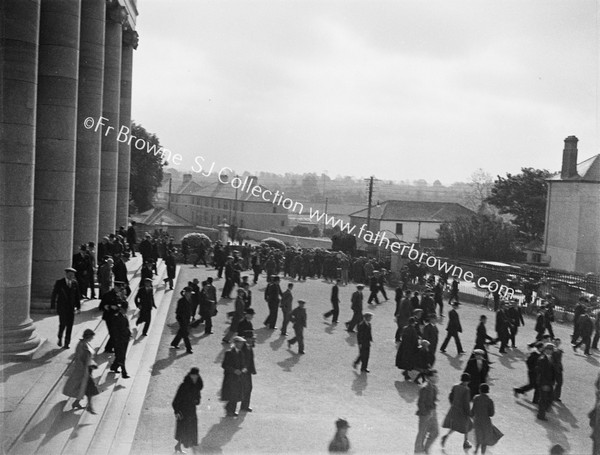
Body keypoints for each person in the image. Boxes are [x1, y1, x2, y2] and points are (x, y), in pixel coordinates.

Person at [62, 329, 99, 413]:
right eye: (92, 337)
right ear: (88, 336)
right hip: (83, 371)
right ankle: (89, 406)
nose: (92, 339)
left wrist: (92, 364)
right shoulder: (81, 345)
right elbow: (78, 359)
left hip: (87, 369)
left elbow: (89, 357)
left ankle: (77, 403)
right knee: (91, 388)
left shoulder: (86, 344)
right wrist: (83, 370)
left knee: (87, 388)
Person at [172, 367, 203, 453]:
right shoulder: (183, 386)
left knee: (189, 430)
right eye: (193, 376)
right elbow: (176, 400)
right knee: (183, 430)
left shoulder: (197, 387)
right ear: (190, 376)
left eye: (196, 376)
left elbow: (198, 399)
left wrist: (196, 401)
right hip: (183, 411)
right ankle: (179, 447)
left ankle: (179, 447)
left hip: (191, 411)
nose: (194, 378)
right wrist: (177, 411)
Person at [51, 267, 81, 349]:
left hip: (71, 308)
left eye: (73, 275)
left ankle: (67, 343)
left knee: (70, 326)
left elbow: (77, 296)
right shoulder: (59, 283)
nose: (72, 276)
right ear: (66, 274)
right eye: (70, 275)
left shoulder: (75, 283)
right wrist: (53, 306)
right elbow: (54, 295)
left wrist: (78, 307)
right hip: (62, 308)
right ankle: (60, 337)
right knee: (62, 324)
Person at [441, 373, 473, 450]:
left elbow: (450, 397)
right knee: (467, 425)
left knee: (456, 426)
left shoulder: (455, 387)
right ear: (468, 381)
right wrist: (468, 413)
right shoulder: (466, 389)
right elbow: (466, 402)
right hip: (462, 411)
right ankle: (465, 442)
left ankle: (446, 436)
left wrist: (453, 404)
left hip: (454, 409)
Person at [471, 383, 502, 454]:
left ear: (480, 390)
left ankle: (475, 451)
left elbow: (472, 411)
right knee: (484, 441)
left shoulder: (476, 398)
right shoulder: (489, 401)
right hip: (486, 423)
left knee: (478, 438)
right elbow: (491, 414)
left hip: (477, 421)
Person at [221, 336, 248, 417]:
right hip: (230, 377)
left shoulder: (241, 353)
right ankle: (230, 410)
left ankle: (230, 408)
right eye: (240, 343)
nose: (241, 345)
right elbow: (224, 365)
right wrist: (234, 370)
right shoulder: (229, 353)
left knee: (236, 394)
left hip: (238, 377)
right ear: (235, 343)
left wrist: (244, 369)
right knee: (232, 394)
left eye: (242, 343)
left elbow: (243, 364)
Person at [414, 370, 439, 454]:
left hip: (432, 412)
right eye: (435, 376)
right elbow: (420, 402)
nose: (437, 378)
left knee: (435, 432)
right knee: (422, 433)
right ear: (430, 377)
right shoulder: (425, 387)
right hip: (425, 413)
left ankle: (426, 449)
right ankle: (418, 451)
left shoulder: (433, 386)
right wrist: (425, 413)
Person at [109, 306, 131, 378]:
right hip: (120, 340)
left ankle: (114, 367)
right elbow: (115, 330)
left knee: (120, 356)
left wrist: (129, 334)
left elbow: (127, 326)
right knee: (122, 356)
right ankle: (124, 373)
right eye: (126, 309)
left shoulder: (124, 316)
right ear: (121, 309)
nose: (127, 310)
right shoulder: (117, 317)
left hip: (125, 339)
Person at [536, 343, 556, 421]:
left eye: (551, 350)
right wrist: (544, 384)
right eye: (548, 349)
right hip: (544, 382)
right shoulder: (542, 359)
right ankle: (541, 414)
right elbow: (540, 372)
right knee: (543, 399)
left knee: (550, 398)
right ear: (545, 350)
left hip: (549, 382)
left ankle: (544, 410)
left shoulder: (551, 358)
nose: (549, 351)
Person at [171, 287, 193, 354]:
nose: (190, 294)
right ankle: (188, 348)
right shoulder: (181, 301)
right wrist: (182, 319)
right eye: (189, 293)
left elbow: (190, 309)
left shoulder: (190, 300)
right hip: (182, 319)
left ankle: (174, 343)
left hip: (187, 318)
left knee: (181, 331)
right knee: (185, 334)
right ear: (186, 293)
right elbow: (178, 311)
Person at [240, 335, 257, 412]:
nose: (253, 339)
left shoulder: (248, 347)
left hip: (247, 372)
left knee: (248, 388)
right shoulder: (243, 348)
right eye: (252, 338)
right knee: (241, 388)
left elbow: (250, 360)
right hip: (243, 372)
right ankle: (232, 408)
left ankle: (245, 405)